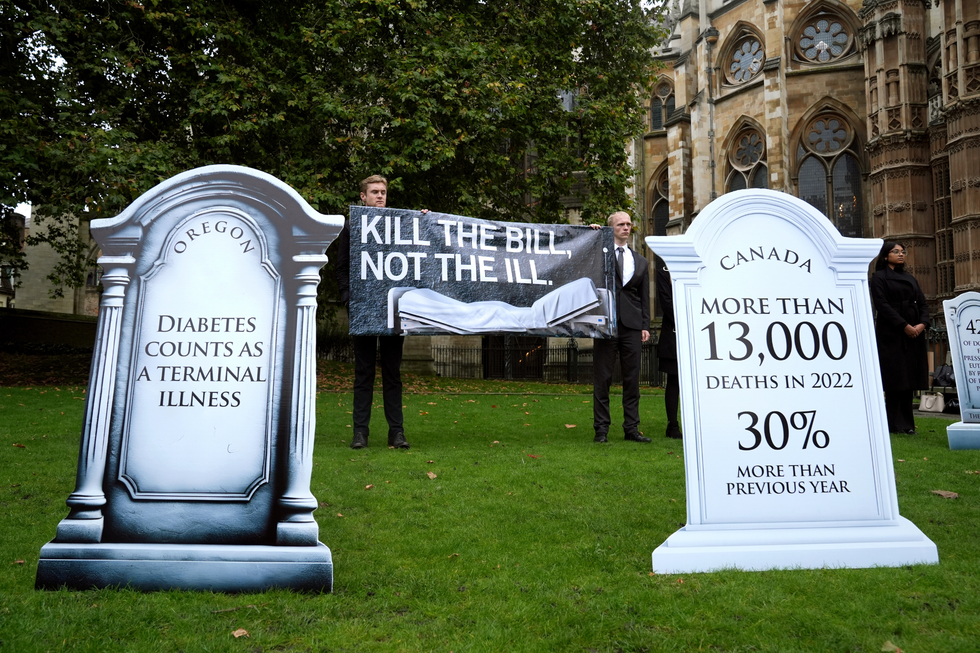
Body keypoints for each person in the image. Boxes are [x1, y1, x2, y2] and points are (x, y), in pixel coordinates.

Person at [335, 175, 409, 450]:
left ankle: (397, 433)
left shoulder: (401, 227)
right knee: (363, 373)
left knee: (393, 374)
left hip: (392, 311)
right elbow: (342, 269)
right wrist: (349, 300)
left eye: (384, 192)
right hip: (364, 309)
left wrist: (425, 221)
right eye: (375, 192)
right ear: (363, 197)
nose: (380, 196)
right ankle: (360, 433)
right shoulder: (352, 228)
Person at [591, 211, 651, 443]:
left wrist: (645, 325)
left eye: (628, 224)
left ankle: (632, 429)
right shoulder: (601, 255)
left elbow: (644, 296)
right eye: (620, 224)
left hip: (632, 326)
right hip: (605, 324)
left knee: (632, 379)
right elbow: (584, 259)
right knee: (603, 378)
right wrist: (593, 236)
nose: (626, 228)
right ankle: (601, 430)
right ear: (611, 228)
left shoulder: (641, 261)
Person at [870, 241, 930, 434]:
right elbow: (882, 305)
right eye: (896, 251)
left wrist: (921, 324)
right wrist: (904, 326)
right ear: (886, 255)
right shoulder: (878, 277)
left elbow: (922, 303)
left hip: (914, 332)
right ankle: (894, 424)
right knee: (895, 378)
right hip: (892, 332)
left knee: (909, 377)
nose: (901, 254)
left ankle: (907, 425)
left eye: (903, 251)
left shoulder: (910, 278)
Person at [655, 259, 682, 439]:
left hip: (698, 330)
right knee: (674, 380)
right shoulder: (664, 272)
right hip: (673, 331)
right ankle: (673, 425)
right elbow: (666, 303)